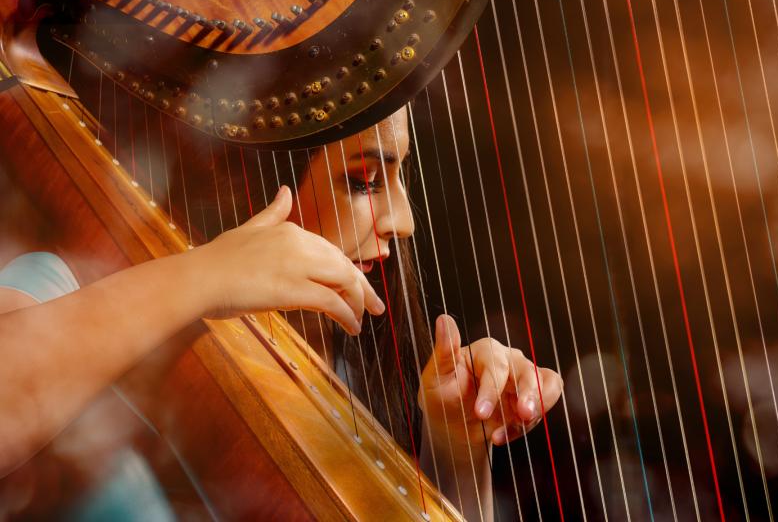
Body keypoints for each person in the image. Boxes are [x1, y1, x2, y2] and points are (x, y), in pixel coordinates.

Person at [0, 107, 562, 519]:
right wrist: (207, 275)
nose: (404, 218)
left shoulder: (339, 368)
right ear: (252, 176)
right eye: (365, 180)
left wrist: (456, 449)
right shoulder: (60, 287)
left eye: (401, 177)